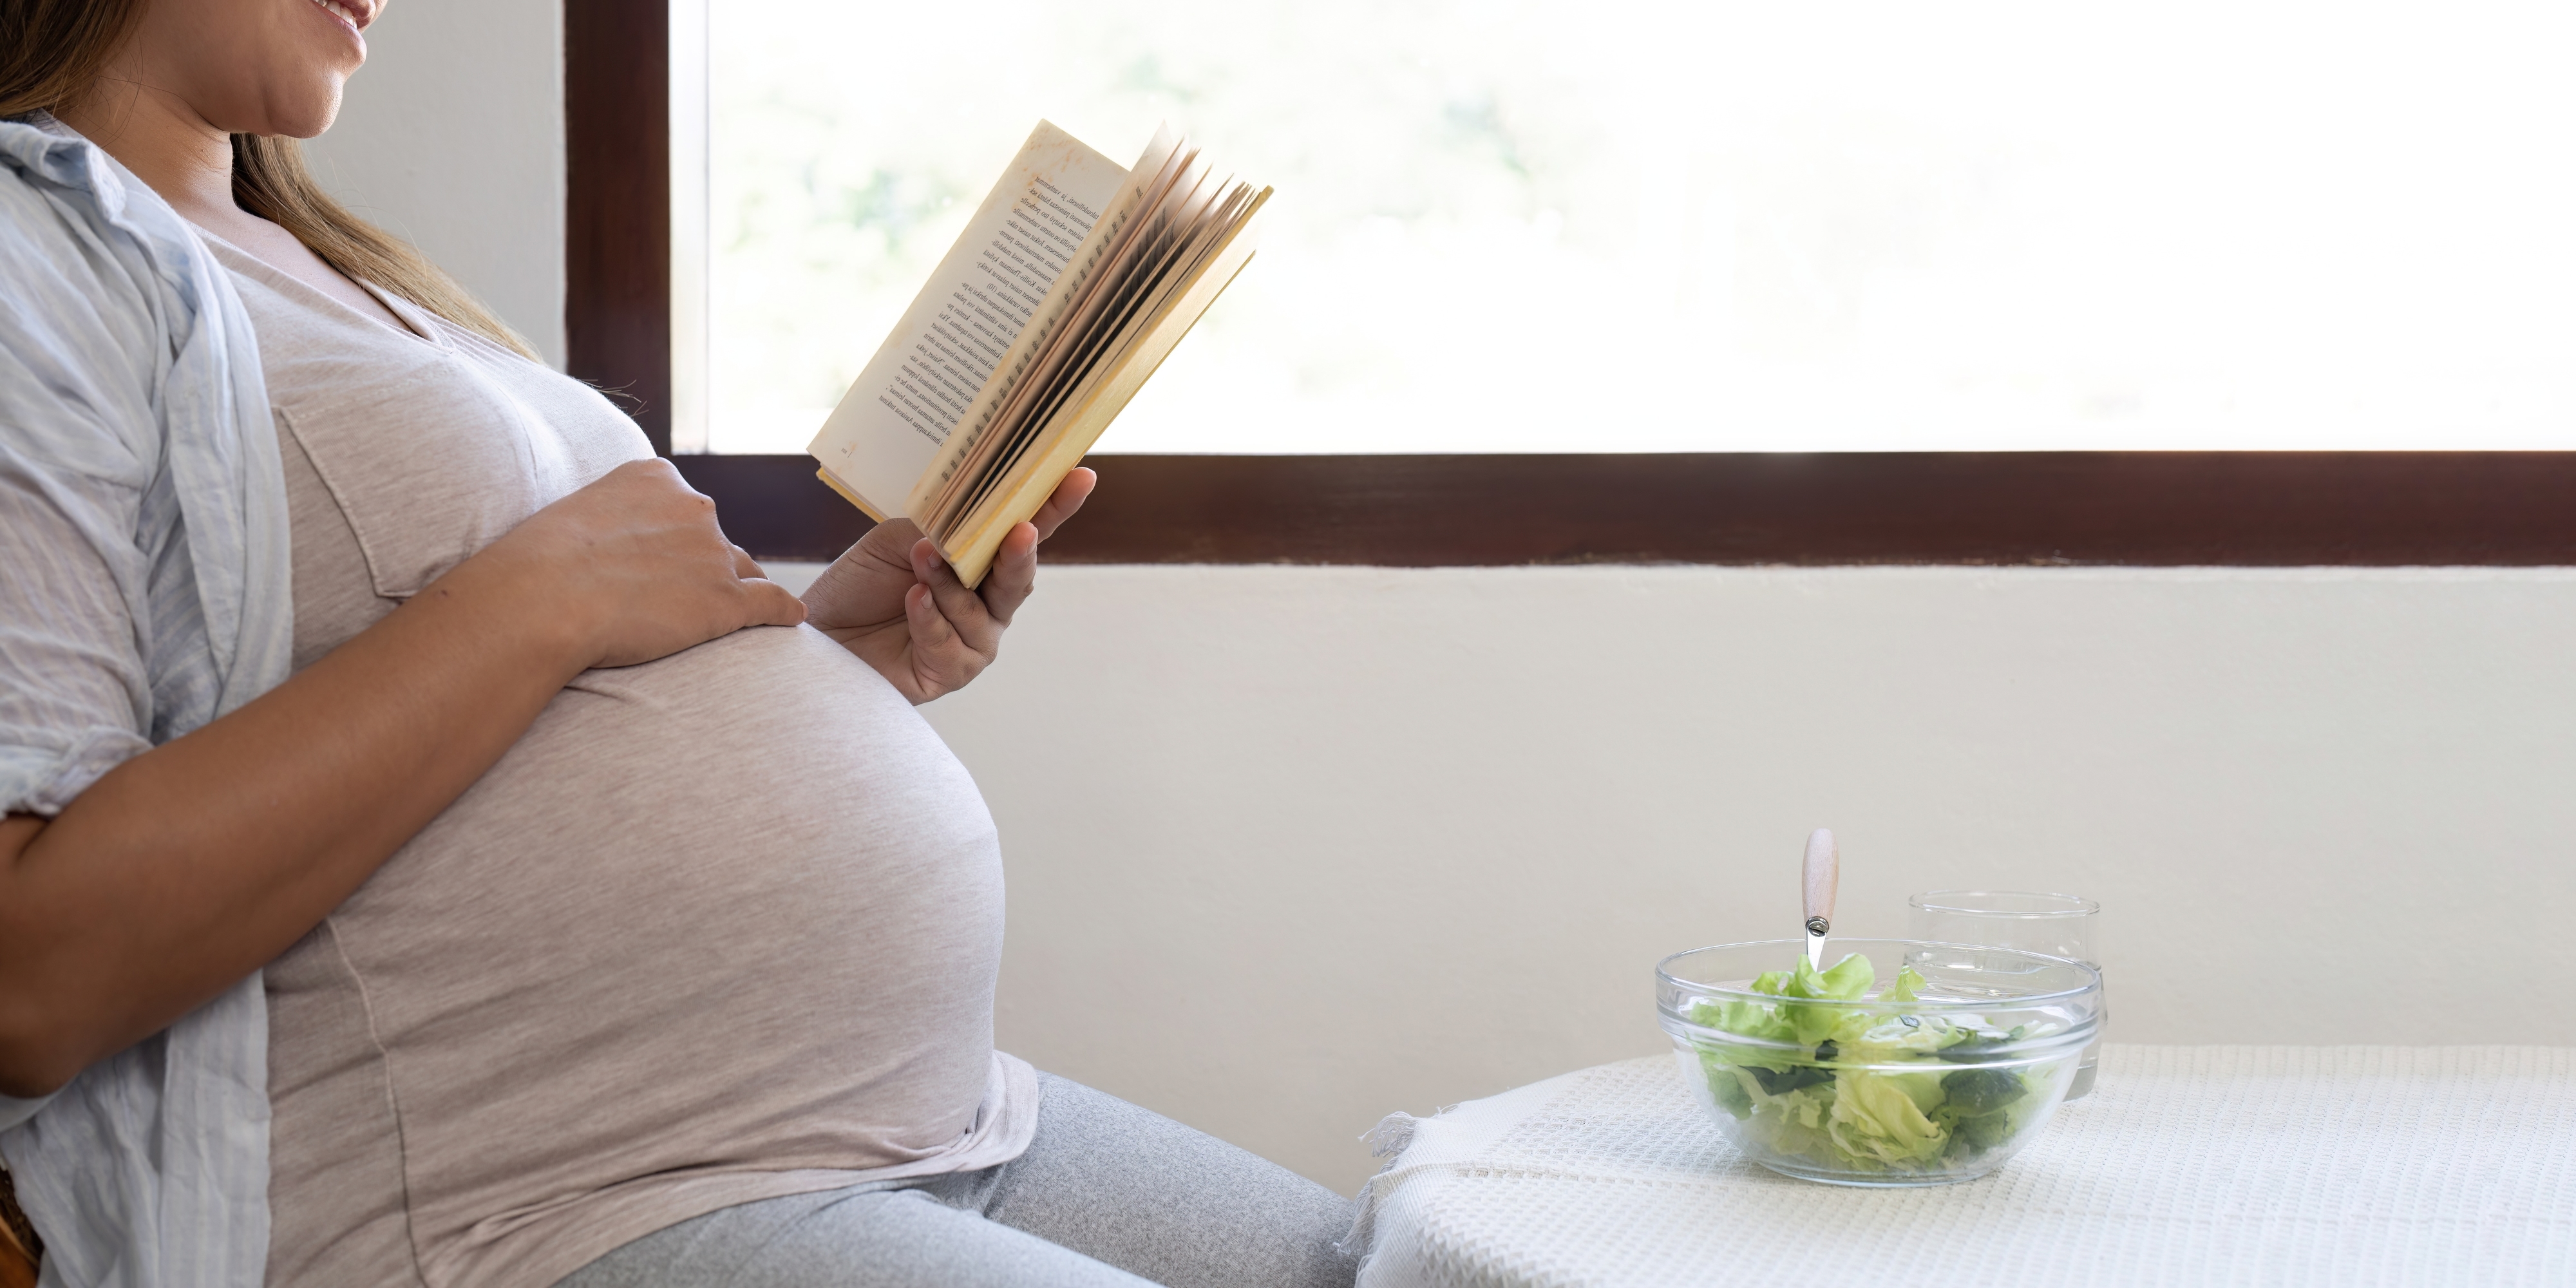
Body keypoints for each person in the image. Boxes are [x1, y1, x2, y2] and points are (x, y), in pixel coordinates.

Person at [0, 1, 1359, 1285]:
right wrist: (550, 596)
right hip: (541, 1206)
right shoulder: (29, 251)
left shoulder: (323, 262)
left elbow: (462, 698)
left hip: (921, 1120)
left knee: (1457, 1256)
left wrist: (833, 661)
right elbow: (32, 972)